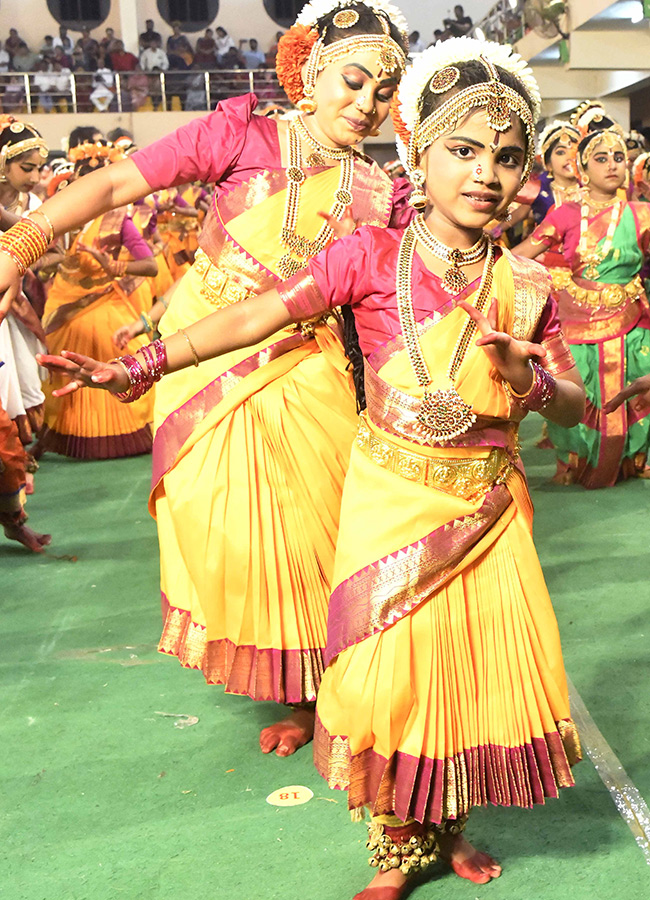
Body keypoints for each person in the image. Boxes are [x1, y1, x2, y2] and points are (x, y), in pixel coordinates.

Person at [33, 37, 585, 900]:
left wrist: (535, 381)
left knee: (461, 672)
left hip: (484, 508)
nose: (487, 173)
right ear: (421, 153)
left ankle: (446, 828)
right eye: (464, 149)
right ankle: (398, 846)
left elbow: (574, 405)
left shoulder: (530, 283)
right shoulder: (370, 253)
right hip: (387, 495)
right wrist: (144, 365)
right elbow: (256, 314)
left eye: (509, 157)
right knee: (381, 675)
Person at [0, 0, 413, 759]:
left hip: (312, 374)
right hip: (202, 365)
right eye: (354, 82)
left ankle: (336, 694)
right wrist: (19, 246)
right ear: (313, 72)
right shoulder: (243, 131)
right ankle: (298, 691)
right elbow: (115, 187)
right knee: (238, 539)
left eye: (383, 93)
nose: (367, 104)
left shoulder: (385, 191)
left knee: (322, 537)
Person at [515, 128, 650, 488]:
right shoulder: (565, 214)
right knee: (579, 393)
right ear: (584, 168)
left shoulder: (642, 213)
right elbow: (522, 254)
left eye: (619, 158)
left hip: (629, 319)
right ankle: (577, 464)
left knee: (630, 387)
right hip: (575, 320)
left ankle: (627, 463)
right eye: (601, 159)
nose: (612, 166)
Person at [37, 142, 158, 459]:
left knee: (110, 363)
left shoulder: (118, 222)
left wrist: (112, 266)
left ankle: (122, 435)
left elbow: (150, 265)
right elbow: (47, 257)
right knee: (61, 370)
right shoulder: (61, 219)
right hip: (64, 306)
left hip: (104, 305)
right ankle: (56, 436)